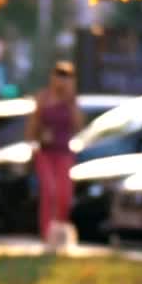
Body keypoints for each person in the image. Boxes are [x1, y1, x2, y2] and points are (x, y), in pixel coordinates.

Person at [27, 61, 84, 248]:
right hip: (46, 152)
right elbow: (32, 129)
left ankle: (60, 234)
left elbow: (78, 126)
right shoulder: (43, 98)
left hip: (64, 152)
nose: (61, 81)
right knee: (49, 191)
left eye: (66, 77)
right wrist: (40, 134)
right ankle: (46, 235)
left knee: (64, 194)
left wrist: (70, 101)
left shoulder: (71, 100)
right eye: (59, 76)